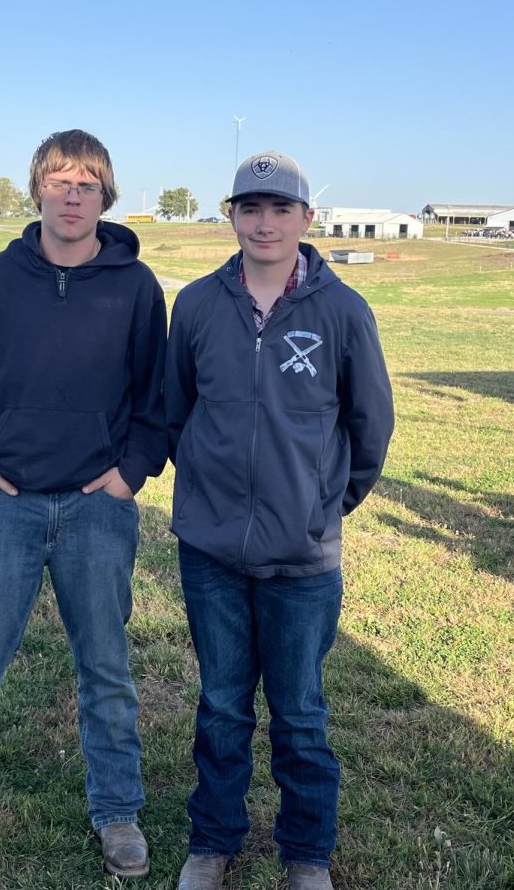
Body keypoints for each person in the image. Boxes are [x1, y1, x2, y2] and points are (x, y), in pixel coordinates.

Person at [0, 129, 167, 879]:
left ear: (106, 195)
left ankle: (117, 811)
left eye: (88, 180)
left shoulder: (135, 288)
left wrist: (128, 477)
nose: (73, 192)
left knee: (107, 669)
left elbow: (157, 400)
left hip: (98, 511)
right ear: (36, 191)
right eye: (59, 179)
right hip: (5, 510)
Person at [165, 151, 394, 890]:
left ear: (306, 219)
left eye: (280, 209)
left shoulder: (343, 310)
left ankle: (306, 854)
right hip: (211, 553)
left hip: (303, 558)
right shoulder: (197, 305)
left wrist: (325, 504)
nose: (264, 223)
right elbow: (175, 412)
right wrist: (206, 496)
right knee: (222, 708)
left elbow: (370, 425)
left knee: (299, 715)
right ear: (230, 215)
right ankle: (213, 841)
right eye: (249, 208)